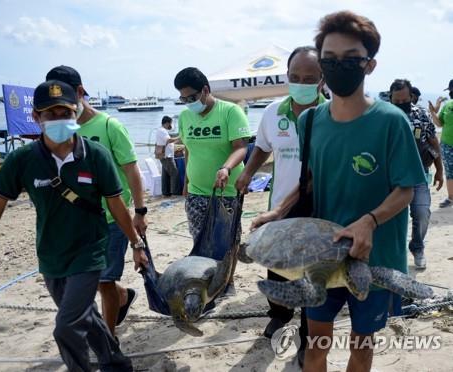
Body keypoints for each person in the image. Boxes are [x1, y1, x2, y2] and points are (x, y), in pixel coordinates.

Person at [251, 11, 425, 372]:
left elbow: (406, 190)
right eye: (329, 59)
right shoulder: (309, 121)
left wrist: (369, 221)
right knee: (316, 346)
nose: (338, 66)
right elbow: (310, 180)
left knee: (362, 348)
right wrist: (277, 212)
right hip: (321, 255)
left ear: (370, 65)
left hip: (374, 257)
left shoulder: (392, 121)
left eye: (351, 59)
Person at [0, 80, 148, 371]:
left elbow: (116, 204)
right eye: (51, 114)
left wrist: (136, 244)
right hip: (51, 256)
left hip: (90, 252)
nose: (60, 119)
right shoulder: (22, 160)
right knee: (85, 317)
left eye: (66, 113)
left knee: (66, 327)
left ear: (77, 112)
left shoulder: (96, 156)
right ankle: (117, 364)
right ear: (36, 117)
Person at [235, 45, 325, 364]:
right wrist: (247, 171)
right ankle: (280, 313)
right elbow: (261, 147)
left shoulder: (333, 115)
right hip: (278, 210)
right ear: (287, 76)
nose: (301, 82)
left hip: (318, 211)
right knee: (277, 269)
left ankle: (308, 333)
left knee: (312, 276)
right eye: (295, 76)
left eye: (309, 78)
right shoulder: (273, 112)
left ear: (322, 79)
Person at [46, 66, 147, 337]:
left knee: (104, 281)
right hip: (75, 222)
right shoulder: (59, 131)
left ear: (80, 92)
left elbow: (131, 170)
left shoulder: (109, 126)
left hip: (112, 219)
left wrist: (140, 211)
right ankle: (123, 297)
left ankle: (108, 336)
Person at [174, 67, 251, 294]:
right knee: (200, 238)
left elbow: (241, 147)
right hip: (197, 190)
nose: (188, 102)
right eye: (183, 98)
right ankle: (208, 280)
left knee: (227, 239)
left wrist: (226, 168)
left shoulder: (230, 112)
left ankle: (228, 282)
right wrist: (186, 182)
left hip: (226, 189)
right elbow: (188, 150)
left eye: (192, 97)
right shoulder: (185, 116)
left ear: (205, 90)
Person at [389, 78, 443, 269]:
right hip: (391, 179)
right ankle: (393, 254)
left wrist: (440, 170)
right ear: (390, 98)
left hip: (418, 174)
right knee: (390, 218)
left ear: (411, 96)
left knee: (422, 212)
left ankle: (417, 247)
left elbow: (433, 142)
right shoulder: (383, 116)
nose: (402, 104)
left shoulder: (421, 114)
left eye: (405, 100)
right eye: (397, 101)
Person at [429, 78, 453, 208]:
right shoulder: (448, 105)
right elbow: (439, 123)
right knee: (450, 172)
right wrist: (433, 112)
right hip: (447, 144)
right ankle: (451, 198)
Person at [155, 115, 180, 197]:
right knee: (174, 173)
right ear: (167, 123)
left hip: (165, 155)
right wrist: (179, 137)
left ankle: (166, 192)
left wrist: (175, 142)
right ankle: (175, 192)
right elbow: (168, 140)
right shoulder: (162, 130)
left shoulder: (161, 130)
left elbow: (167, 142)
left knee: (165, 174)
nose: (171, 125)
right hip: (167, 156)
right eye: (170, 123)